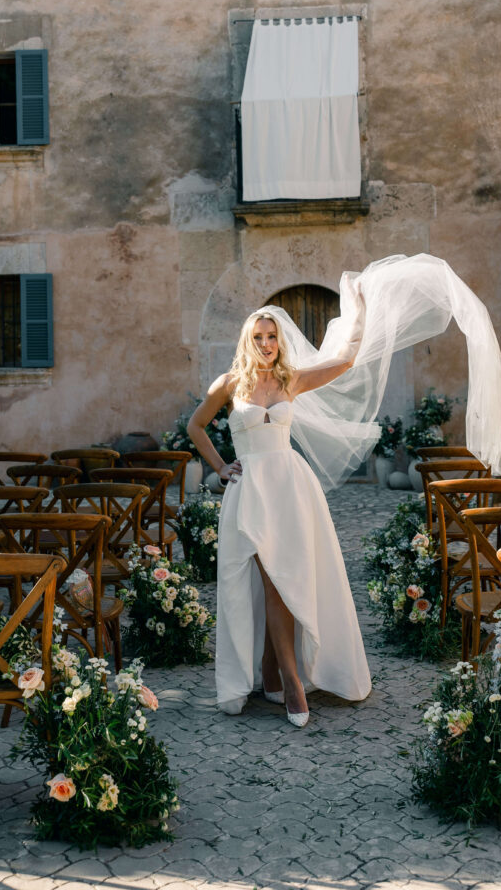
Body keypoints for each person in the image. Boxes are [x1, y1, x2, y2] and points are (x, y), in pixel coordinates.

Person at [187, 282, 371, 727]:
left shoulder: (291, 379)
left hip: (291, 490)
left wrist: (360, 313)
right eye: (259, 337)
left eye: (272, 337)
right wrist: (220, 468)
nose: (267, 344)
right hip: (251, 491)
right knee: (272, 582)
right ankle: (291, 683)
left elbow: (344, 361)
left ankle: (273, 672)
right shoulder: (229, 384)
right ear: (248, 341)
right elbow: (196, 426)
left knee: (283, 580)